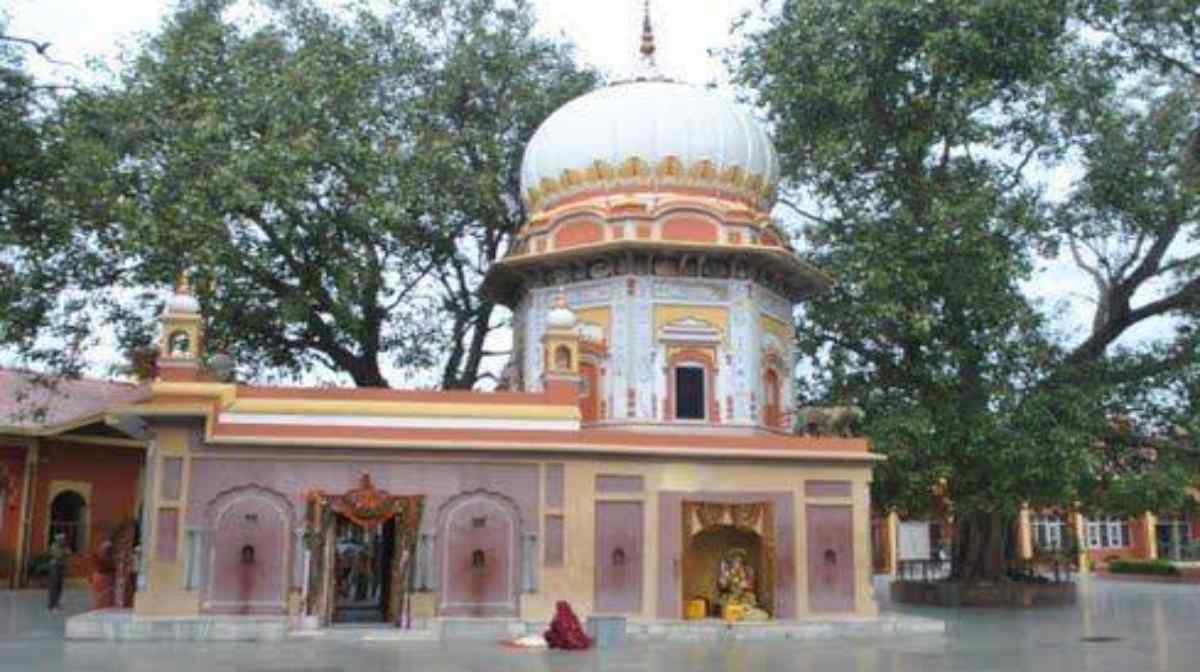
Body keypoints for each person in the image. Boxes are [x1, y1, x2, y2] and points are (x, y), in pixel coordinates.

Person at [717, 548, 769, 621]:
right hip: (731, 596)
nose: (737, 561)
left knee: (749, 602)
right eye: (734, 559)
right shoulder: (727, 571)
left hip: (745, 597)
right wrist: (725, 580)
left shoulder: (748, 571)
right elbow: (722, 586)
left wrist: (745, 584)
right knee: (728, 605)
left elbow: (752, 585)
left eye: (739, 559)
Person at [47, 533, 69, 612]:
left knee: (59, 587)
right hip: (55, 567)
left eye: (64, 539)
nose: (63, 541)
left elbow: (68, 553)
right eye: (62, 539)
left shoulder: (63, 547)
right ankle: (51, 605)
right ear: (58, 540)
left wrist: (65, 552)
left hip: (60, 567)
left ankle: (56, 603)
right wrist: (64, 552)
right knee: (54, 587)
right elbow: (58, 555)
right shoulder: (54, 546)